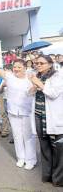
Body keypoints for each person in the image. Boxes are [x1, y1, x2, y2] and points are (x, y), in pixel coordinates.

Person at [0, 49, 37, 170]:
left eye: (19, 67)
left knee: (28, 136)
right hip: (13, 111)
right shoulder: (9, 76)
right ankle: (21, 158)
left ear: (24, 67)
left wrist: (33, 88)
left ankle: (31, 159)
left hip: (27, 112)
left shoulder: (30, 77)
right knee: (17, 136)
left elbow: (32, 91)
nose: (16, 69)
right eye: (15, 67)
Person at [29, 55, 63, 187]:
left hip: (53, 118)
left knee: (58, 150)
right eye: (36, 63)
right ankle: (47, 175)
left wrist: (39, 84)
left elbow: (53, 93)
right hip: (39, 115)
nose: (37, 65)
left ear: (50, 64)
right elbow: (29, 93)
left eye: (41, 63)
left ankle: (58, 179)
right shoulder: (38, 76)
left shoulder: (58, 76)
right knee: (44, 147)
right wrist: (33, 86)